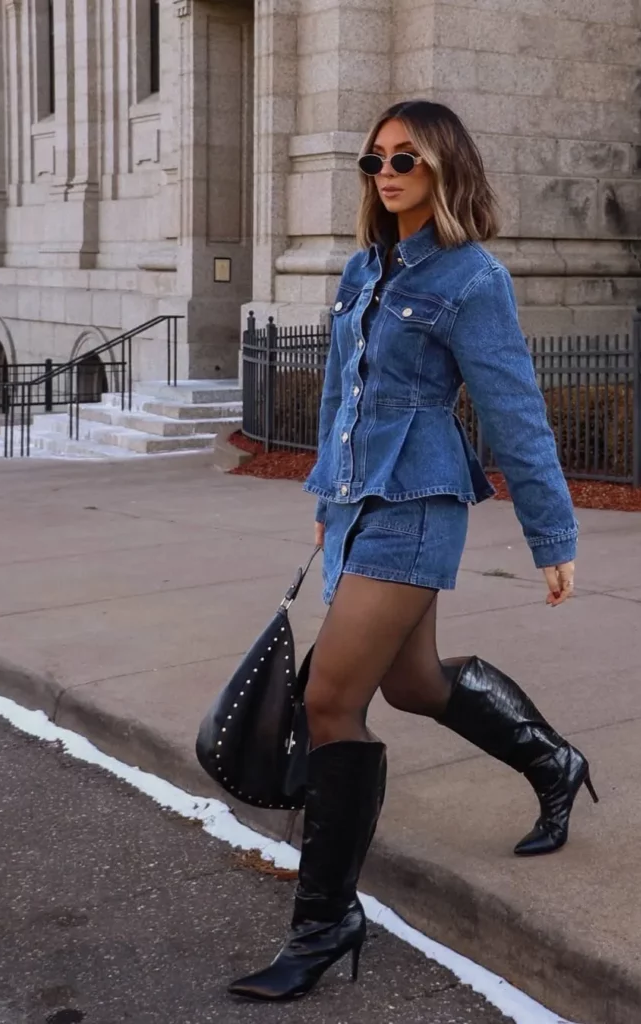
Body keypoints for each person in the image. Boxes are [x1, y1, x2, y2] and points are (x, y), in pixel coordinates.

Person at [228, 99, 597, 1003]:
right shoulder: (363, 268)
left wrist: (552, 534)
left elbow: (513, 409)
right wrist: (328, 497)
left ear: (443, 167)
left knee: (329, 699)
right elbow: (338, 398)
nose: (386, 173)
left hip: (420, 505)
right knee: (414, 683)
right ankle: (554, 763)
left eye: (406, 158)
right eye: (375, 160)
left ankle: (325, 923)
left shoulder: (473, 278)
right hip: (360, 503)